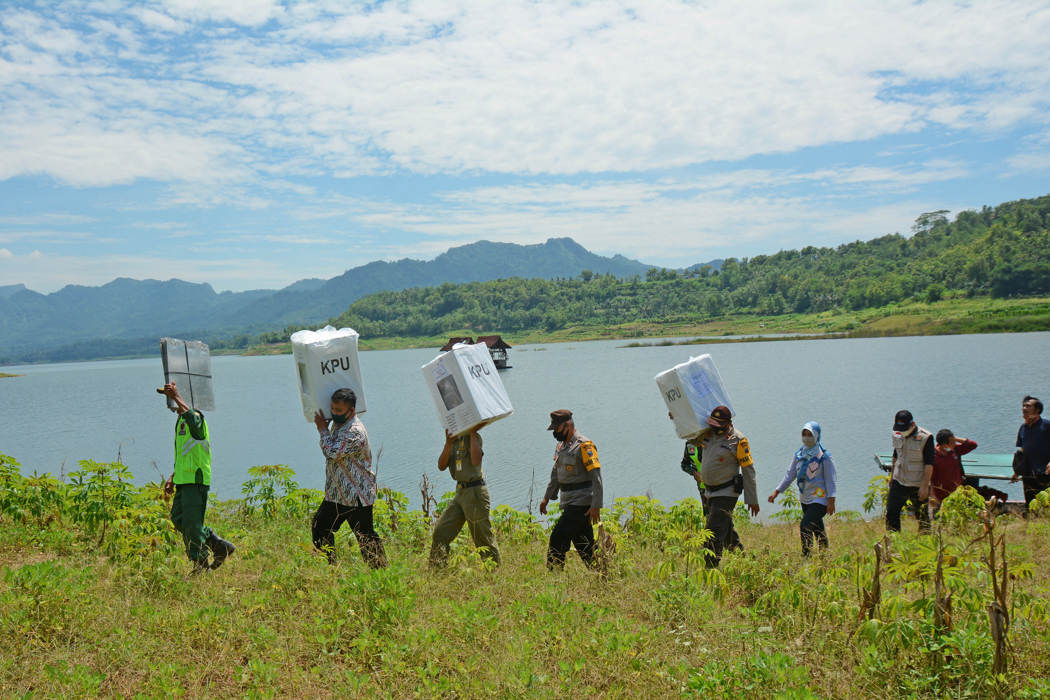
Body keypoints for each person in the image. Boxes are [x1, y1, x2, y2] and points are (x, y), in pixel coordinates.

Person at [159, 382, 235, 573]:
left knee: (192, 526)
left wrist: (177, 396)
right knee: (178, 519)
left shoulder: (196, 418)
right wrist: (172, 477)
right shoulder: (181, 422)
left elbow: (194, 419)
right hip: (183, 481)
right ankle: (217, 544)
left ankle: (201, 567)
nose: (171, 405)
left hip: (196, 482)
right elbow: (187, 454)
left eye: (172, 399)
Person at [310, 388, 387, 568]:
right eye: (333, 409)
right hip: (338, 495)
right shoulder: (340, 425)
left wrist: (322, 429)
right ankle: (329, 567)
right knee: (320, 527)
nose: (334, 413)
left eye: (338, 410)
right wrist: (327, 428)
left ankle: (381, 574)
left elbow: (332, 452)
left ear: (351, 411)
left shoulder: (355, 431)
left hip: (356, 495)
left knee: (366, 537)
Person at [428, 425, 501, 567]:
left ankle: (494, 573)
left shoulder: (474, 438)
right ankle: (437, 571)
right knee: (440, 532)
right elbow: (441, 465)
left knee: (482, 537)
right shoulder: (453, 442)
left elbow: (476, 460)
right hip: (460, 493)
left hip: (475, 492)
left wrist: (472, 433)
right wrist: (448, 443)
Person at [539, 409, 603, 570]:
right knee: (584, 545)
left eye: (556, 429)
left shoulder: (584, 445)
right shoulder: (561, 446)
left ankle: (554, 577)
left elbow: (597, 477)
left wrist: (596, 505)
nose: (554, 433)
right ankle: (602, 572)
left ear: (567, 425)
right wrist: (546, 498)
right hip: (568, 502)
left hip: (581, 503)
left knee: (557, 538)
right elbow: (556, 475)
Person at [698, 405, 758, 568]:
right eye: (713, 424)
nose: (714, 428)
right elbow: (688, 433)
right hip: (710, 492)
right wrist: (677, 417)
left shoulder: (738, 440)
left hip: (726, 493)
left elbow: (748, 470)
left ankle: (710, 570)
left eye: (718, 425)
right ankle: (744, 561)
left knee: (712, 534)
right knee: (727, 533)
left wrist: (752, 499)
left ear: (727, 423)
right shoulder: (707, 435)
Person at [768, 421, 837, 556]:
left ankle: (807, 556)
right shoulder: (799, 454)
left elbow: (831, 480)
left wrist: (831, 501)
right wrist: (777, 492)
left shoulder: (824, 457)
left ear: (817, 436)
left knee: (805, 525)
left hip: (820, 499)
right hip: (805, 498)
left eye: (810, 435)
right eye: (804, 434)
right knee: (817, 527)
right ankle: (825, 555)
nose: (806, 437)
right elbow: (790, 474)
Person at [886, 409, 934, 533]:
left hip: (918, 483)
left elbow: (929, 464)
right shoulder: (896, 434)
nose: (902, 432)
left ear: (913, 424)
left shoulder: (926, 437)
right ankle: (893, 542)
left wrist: (924, 486)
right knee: (891, 512)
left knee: (922, 516)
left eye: (905, 429)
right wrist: (892, 477)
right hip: (899, 480)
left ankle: (926, 543)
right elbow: (896, 455)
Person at [1012, 396, 1050, 509]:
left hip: (1046, 473)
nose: (1024, 408)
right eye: (1023, 406)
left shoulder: (1047, 425)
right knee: (1031, 505)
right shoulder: (1023, 428)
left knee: (1046, 504)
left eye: (1028, 406)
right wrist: (1017, 471)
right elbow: (1023, 451)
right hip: (1028, 474)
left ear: (1037, 409)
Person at [929, 429, 977, 515]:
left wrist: (955, 438)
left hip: (957, 493)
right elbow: (930, 478)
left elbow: (973, 445)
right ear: (944, 445)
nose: (955, 444)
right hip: (941, 496)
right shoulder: (933, 456)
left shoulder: (955, 450)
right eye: (952, 442)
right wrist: (932, 497)